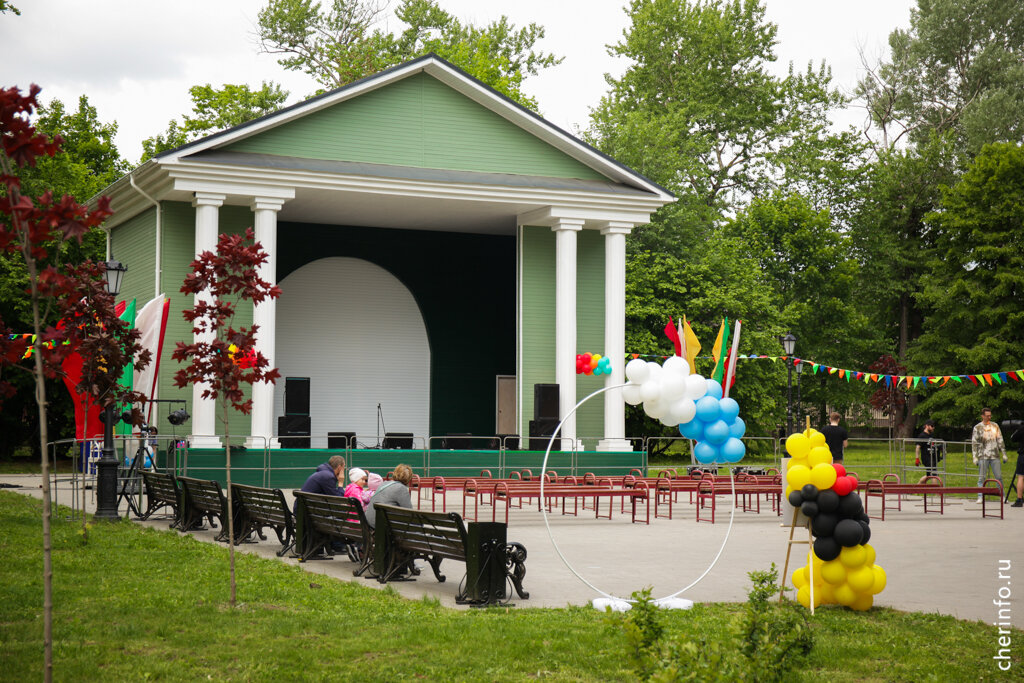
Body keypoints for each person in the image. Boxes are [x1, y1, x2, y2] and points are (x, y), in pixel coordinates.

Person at [972, 407, 1006, 503]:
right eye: (987, 416)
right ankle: (980, 496)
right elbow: (974, 443)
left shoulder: (995, 426)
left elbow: (1000, 439)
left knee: (998, 477)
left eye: (990, 415)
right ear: (982, 416)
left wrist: (1003, 453)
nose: (989, 417)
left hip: (994, 455)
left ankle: (1002, 495)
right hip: (983, 455)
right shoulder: (977, 427)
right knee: (982, 477)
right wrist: (974, 456)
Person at [365, 463, 413, 528]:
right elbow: (410, 513)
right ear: (409, 478)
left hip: (370, 524)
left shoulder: (383, 484)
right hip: (383, 529)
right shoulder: (401, 489)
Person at [915, 420, 941, 484]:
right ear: (927, 426)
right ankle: (936, 493)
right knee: (934, 475)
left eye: (934, 426)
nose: (933, 428)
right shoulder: (922, 436)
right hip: (926, 458)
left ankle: (917, 487)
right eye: (932, 426)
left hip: (932, 457)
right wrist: (917, 459)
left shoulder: (931, 435)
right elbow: (918, 447)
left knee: (929, 475)